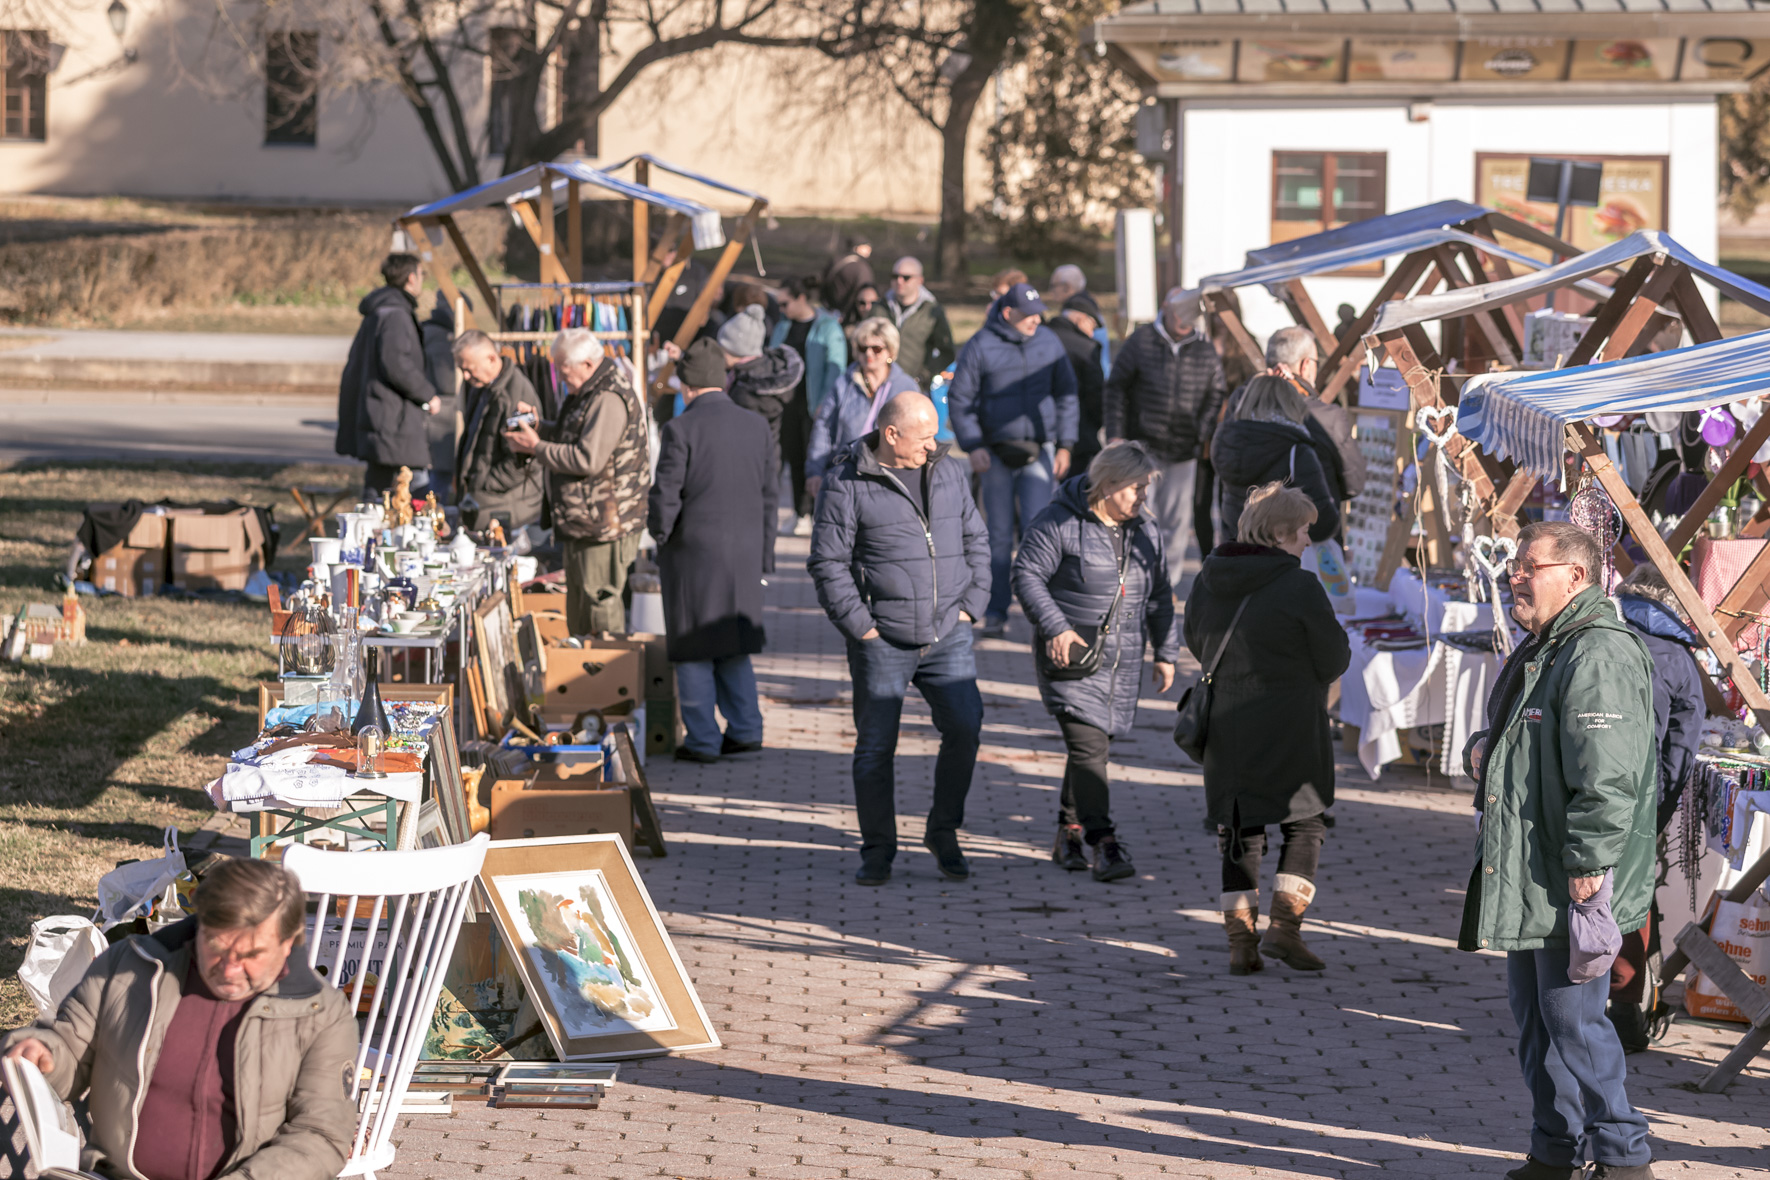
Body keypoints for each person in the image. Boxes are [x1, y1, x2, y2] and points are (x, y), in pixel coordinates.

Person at [1461, 522, 1658, 1180]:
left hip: (1570, 873)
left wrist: (1589, 864)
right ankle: (1554, 1152)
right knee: (1539, 1023)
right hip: (1530, 869)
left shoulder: (1597, 653)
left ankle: (1625, 1159)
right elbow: (1527, 742)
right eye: (1514, 565)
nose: (1514, 575)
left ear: (1575, 576)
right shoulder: (1548, 644)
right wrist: (1484, 752)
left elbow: (1607, 776)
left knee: (1574, 1023)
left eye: (1529, 566)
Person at [3, 857, 357, 1180]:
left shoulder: (320, 1014)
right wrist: (44, 1054)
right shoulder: (130, 966)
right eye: (216, 947)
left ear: (289, 942)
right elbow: (70, 1046)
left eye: (251, 954)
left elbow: (321, 1133)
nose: (230, 969)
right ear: (198, 926)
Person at [807, 392, 990, 887]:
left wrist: (972, 605)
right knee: (875, 747)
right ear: (891, 435)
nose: (933, 445)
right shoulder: (846, 481)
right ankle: (878, 849)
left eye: (935, 434)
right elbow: (827, 562)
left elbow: (976, 537)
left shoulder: (948, 470)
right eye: (924, 436)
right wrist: (861, 626)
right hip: (882, 637)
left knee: (966, 727)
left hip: (948, 631)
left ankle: (943, 830)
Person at [1185, 482, 1350, 975]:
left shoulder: (1208, 577)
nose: (1308, 539)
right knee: (1305, 821)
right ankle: (1284, 930)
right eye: (1302, 531)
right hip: (1291, 722)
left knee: (1240, 830)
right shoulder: (1299, 586)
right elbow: (1334, 658)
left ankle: (1241, 944)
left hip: (1227, 724)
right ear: (1279, 533)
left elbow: (1195, 639)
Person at [1012, 441, 1178, 882]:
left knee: (1091, 747)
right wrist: (1055, 627)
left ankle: (1068, 832)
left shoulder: (1146, 531)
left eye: (1145, 488)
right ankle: (1103, 840)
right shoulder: (1059, 521)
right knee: (1090, 747)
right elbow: (1026, 575)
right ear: (1107, 485)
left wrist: (1166, 653)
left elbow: (1161, 595)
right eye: (1136, 487)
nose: (1143, 496)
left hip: (1121, 662)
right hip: (1070, 657)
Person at [649, 338, 775, 764]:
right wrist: (766, 556)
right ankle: (746, 730)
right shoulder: (757, 426)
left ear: (687, 386)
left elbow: (666, 495)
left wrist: (659, 536)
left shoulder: (680, 429)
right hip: (745, 555)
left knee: (694, 650)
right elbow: (770, 497)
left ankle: (702, 740)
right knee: (734, 645)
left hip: (694, 555)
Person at [947, 281, 1080, 638]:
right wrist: (973, 444)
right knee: (999, 535)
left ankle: (1044, 613)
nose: (1036, 320)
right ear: (1008, 313)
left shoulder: (1049, 342)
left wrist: (1066, 445)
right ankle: (996, 610)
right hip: (994, 454)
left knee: (1040, 533)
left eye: (1039, 314)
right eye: (1028, 315)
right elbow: (960, 398)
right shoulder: (981, 344)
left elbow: (1067, 394)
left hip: (1040, 449)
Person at [1608, 563, 1704, 1053]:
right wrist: (1658, 810)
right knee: (1628, 902)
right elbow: (1681, 748)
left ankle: (1563, 1005)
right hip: (1638, 793)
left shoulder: (1597, 635)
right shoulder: (1677, 656)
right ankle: (1625, 1013)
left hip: (1581, 786)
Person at [504, 327, 650, 636]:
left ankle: (606, 664)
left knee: (598, 606)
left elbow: (588, 458)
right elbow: (573, 436)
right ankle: (584, 662)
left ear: (587, 364)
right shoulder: (589, 390)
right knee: (582, 605)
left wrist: (536, 447)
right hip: (587, 521)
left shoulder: (607, 396)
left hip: (604, 523)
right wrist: (538, 427)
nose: (559, 377)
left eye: (564, 370)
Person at [1103, 287, 1226, 586]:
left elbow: (1216, 391)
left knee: (1176, 523)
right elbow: (1116, 388)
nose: (1185, 321)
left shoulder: (1204, 347)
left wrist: (1202, 430)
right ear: (1167, 309)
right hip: (1143, 447)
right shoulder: (1141, 340)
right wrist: (1116, 435)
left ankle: (1165, 585)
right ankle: (1135, 582)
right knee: (1139, 517)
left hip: (1184, 450)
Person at [336, 252, 443, 497]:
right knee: (412, 484)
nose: (422, 279)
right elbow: (396, 363)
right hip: (393, 417)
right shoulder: (395, 314)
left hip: (383, 414)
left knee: (380, 482)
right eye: (421, 274)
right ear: (411, 278)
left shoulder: (383, 309)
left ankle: (372, 518)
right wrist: (427, 394)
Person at [1210, 375, 1340, 545]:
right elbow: (1323, 522)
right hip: (1279, 551)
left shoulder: (1227, 441)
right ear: (1291, 405)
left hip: (1233, 548)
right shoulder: (1295, 449)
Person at [770, 275, 848, 536]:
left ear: (801, 298)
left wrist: (826, 402)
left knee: (814, 458)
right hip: (787, 404)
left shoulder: (826, 327)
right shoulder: (783, 326)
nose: (782, 309)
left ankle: (817, 512)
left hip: (814, 405)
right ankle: (799, 511)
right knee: (793, 457)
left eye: (785, 303)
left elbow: (835, 366)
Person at [806, 318, 920, 494]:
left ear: (890, 351)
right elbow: (824, 427)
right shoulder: (843, 384)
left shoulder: (905, 386)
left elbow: (918, 433)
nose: (868, 353)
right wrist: (814, 470)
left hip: (890, 477)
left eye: (876, 349)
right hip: (847, 473)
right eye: (862, 348)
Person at [452, 329, 544, 532]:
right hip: (485, 502)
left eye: (469, 369)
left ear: (491, 359)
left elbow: (521, 462)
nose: (465, 376)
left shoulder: (517, 395)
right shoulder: (481, 386)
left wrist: (483, 485)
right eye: (462, 370)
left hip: (507, 507)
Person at [1265, 325, 1365, 509]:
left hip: (1250, 522)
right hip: (1312, 520)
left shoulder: (1240, 408)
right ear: (1305, 365)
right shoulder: (1328, 417)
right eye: (1315, 362)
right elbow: (1354, 482)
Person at [721, 303, 806, 509]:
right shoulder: (763, 370)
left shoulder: (746, 391)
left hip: (751, 470)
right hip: (769, 463)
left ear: (736, 349)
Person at [1196, 293, 1262, 557]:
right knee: (1200, 501)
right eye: (1214, 314)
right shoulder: (1202, 343)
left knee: (1230, 499)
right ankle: (1206, 558)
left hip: (1234, 434)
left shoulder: (1246, 344)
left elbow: (1255, 387)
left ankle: (1228, 554)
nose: (1219, 320)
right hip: (1204, 433)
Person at [1046, 292, 1106, 474]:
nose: (1092, 333)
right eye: (1092, 325)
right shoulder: (1086, 348)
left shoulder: (1039, 339)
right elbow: (1096, 396)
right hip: (1079, 438)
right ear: (1081, 320)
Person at [883, 256, 955, 391]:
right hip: (880, 386)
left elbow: (947, 352)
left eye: (906, 277)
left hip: (914, 388)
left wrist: (924, 376)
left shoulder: (932, 312)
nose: (899, 281)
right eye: (895, 276)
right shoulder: (879, 307)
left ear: (920, 280)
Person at [419, 290, 460, 493]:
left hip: (433, 414)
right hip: (441, 416)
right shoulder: (441, 337)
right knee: (438, 479)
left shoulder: (428, 330)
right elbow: (447, 381)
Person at [823, 235, 875, 321]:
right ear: (856, 248)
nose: (869, 250)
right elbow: (865, 294)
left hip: (827, 311)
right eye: (866, 246)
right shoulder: (862, 267)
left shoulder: (835, 261)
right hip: (848, 317)